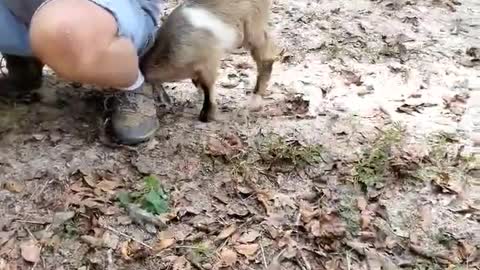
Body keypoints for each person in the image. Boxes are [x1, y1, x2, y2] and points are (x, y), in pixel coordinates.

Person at [0, 0, 165, 145]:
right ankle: (23, 59)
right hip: (18, 12)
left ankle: (131, 81)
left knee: (63, 29)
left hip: (105, 13)